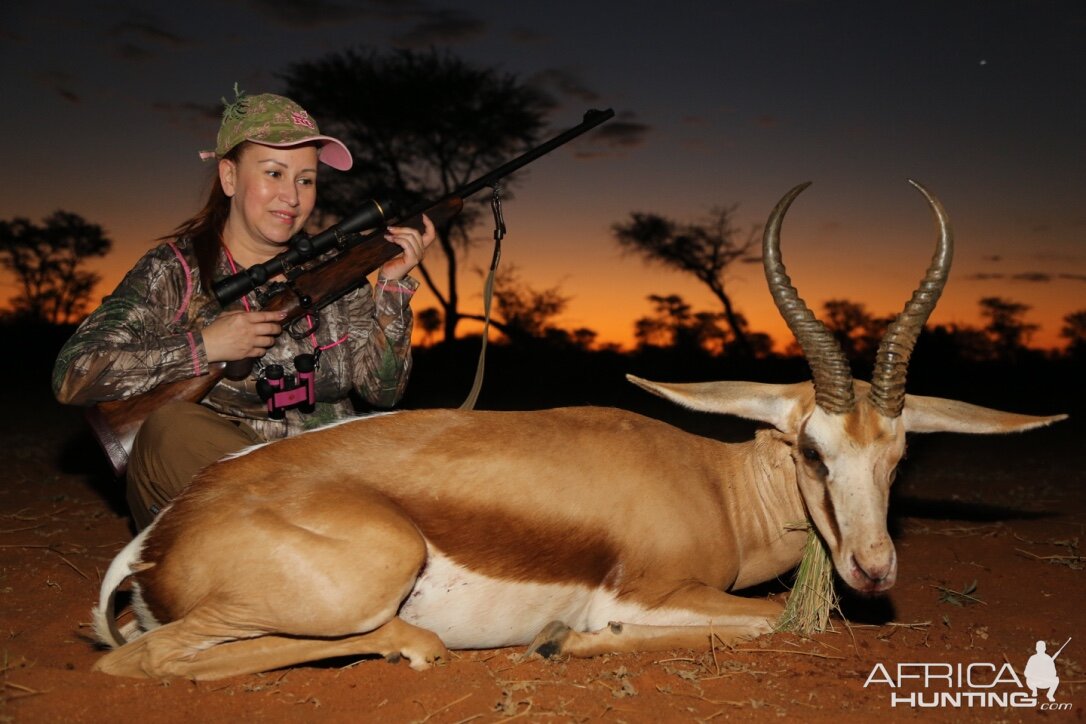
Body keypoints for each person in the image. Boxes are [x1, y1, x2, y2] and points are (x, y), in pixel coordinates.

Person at [53, 89, 435, 529]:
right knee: (170, 430)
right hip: (220, 496)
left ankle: (324, 545)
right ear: (230, 178)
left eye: (306, 179)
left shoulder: (335, 269)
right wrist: (204, 346)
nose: (291, 197)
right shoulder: (175, 270)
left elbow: (382, 392)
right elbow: (74, 373)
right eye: (274, 173)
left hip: (324, 478)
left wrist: (390, 287)